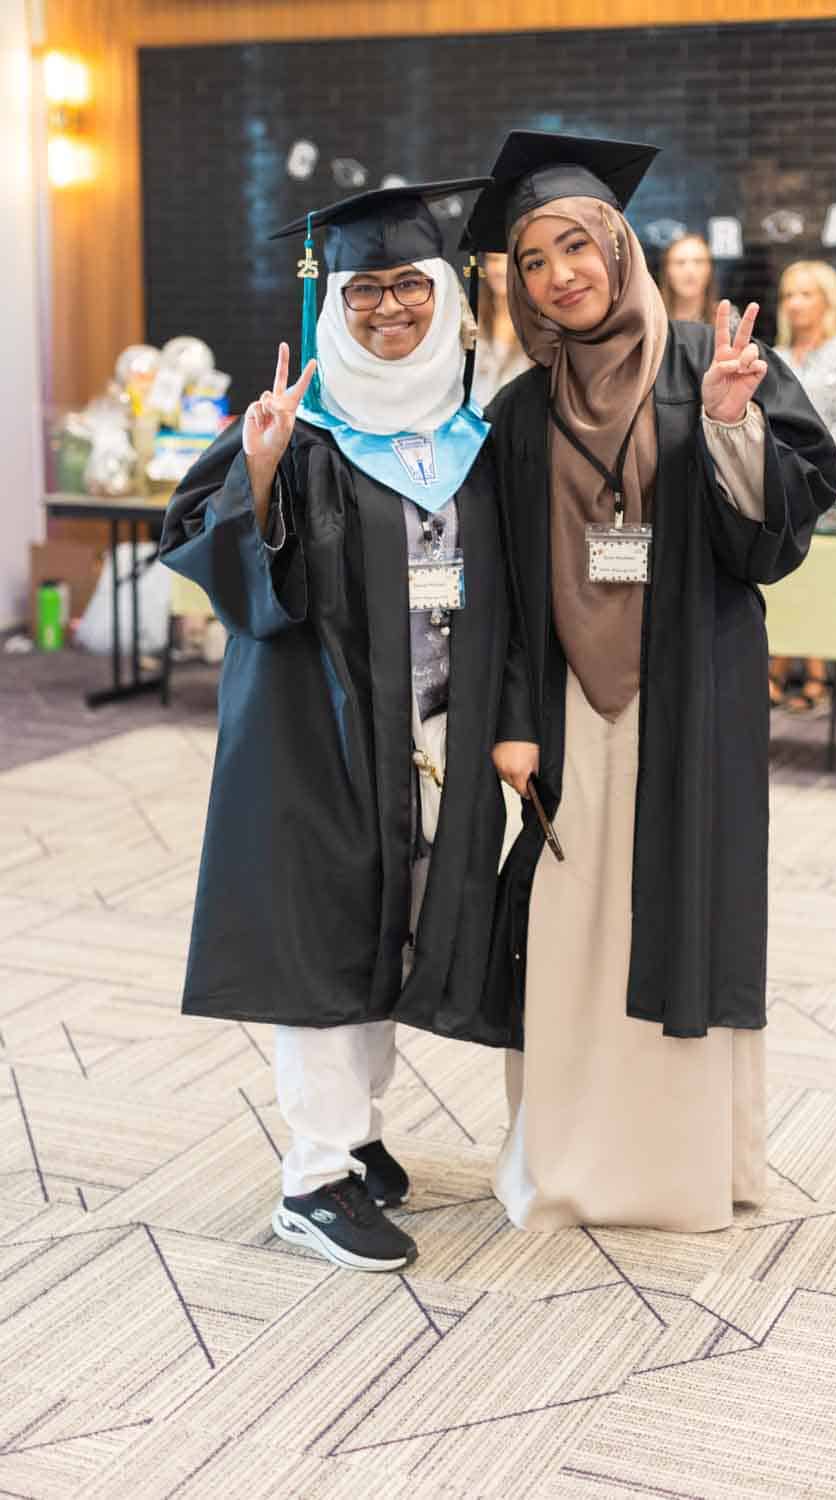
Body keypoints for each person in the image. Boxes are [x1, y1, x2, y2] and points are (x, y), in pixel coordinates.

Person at [464, 132, 836, 1234]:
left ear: (618, 248)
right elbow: (507, 587)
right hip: (569, 712)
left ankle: (682, 1169)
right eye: (531, 261)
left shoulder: (703, 362)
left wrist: (728, 422)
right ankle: (569, 1160)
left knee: (682, 910)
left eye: (575, 245)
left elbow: (776, 538)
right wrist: (512, 722)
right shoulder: (520, 414)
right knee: (573, 928)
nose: (557, 275)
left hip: (691, 696)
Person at [159, 179, 514, 1273]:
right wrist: (258, 476)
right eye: (367, 289)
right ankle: (311, 1180)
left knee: (390, 929)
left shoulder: (468, 432)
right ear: (333, 300)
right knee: (321, 937)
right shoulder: (291, 427)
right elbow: (215, 562)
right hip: (313, 737)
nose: (391, 307)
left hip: (429, 733)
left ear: (449, 297)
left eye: (413, 283)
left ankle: (352, 1135)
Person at [770, 259, 836, 711]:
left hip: (828, 482)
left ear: (827, 300)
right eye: (788, 294)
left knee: (818, 578)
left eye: (805, 294)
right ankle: (778, 668)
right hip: (777, 480)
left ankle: (815, 675)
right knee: (783, 577)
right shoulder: (776, 354)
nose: (794, 304)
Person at [471, 251, 534, 408]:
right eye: (493, 259)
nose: (499, 269)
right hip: (471, 426)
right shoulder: (469, 319)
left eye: (509, 262)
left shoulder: (539, 328)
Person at [659, 231, 720, 324]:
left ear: (710, 269)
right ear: (667, 270)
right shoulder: (650, 319)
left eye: (698, 261)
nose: (689, 270)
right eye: (680, 262)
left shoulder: (726, 316)